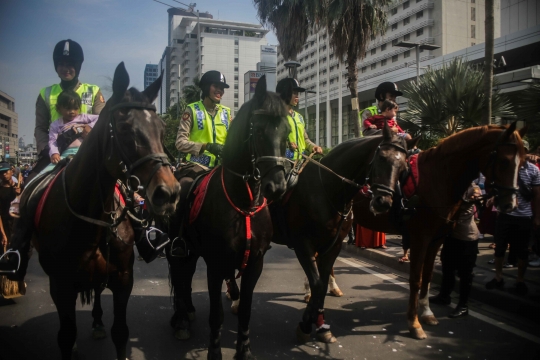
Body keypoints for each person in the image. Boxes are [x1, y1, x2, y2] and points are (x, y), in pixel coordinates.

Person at [32, 39, 105, 179]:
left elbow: (103, 119)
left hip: (89, 150)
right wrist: (49, 150)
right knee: (29, 186)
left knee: (118, 184)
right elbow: (40, 128)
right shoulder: (45, 93)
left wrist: (89, 130)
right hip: (56, 153)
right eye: (61, 64)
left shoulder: (94, 91)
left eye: (70, 64)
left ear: (78, 66)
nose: (66, 68)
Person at [485, 144, 540, 295]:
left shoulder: (533, 170)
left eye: (523, 150)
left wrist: (537, 217)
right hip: (505, 214)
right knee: (500, 247)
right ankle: (498, 277)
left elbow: (537, 195)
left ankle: (520, 281)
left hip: (524, 216)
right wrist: (493, 197)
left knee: (522, 251)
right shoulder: (506, 167)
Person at [430, 184, 482, 318]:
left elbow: (456, 206)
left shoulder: (472, 188)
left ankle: (463, 305)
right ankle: (444, 296)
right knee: (447, 267)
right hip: (451, 234)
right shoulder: (452, 185)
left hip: (467, 237)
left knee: (465, 273)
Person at [175, 70, 232, 169]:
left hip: (223, 167)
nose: (220, 90)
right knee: (186, 183)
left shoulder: (226, 112)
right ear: (206, 87)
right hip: (197, 165)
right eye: (216, 86)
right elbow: (180, 143)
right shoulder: (191, 110)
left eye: (222, 88)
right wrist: (206, 146)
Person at [38, 90, 97, 176]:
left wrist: (89, 126)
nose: (72, 111)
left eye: (75, 108)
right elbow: (52, 141)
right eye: (68, 108)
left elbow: (100, 118)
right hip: (65, 155)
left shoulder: (83, 117)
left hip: (86, 152)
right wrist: (54, 153)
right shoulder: (56, 124)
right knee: (43, 175)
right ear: (58, 108)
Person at [274, 78, 322, 160]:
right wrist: (287, 144)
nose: (297, 96)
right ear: (285, 94)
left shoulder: (299, 117)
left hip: (300, 163)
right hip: (283, 164)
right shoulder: (276, 117)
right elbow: (272, 139)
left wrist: (313, 147)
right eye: (294, 93)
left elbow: (305, 139)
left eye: (297, 93)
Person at [0, 162, 21, 242]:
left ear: (12, 172)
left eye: (6, 171)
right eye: (1, 173)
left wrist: (19, 195)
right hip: (5, 225)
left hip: (19, 224)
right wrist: (3, 234)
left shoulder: (20, 187)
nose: (4, 174)